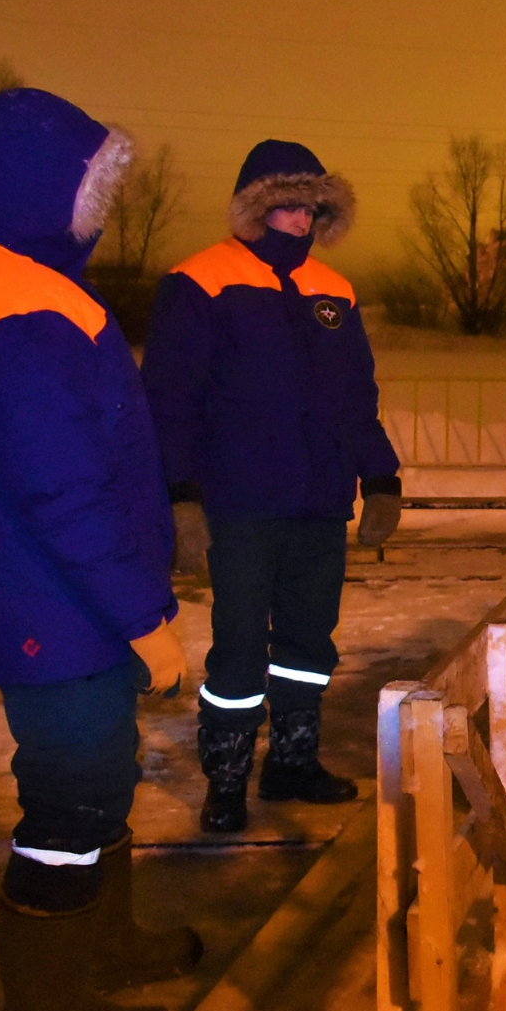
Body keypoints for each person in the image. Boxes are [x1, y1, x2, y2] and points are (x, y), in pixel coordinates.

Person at [0, 88, 199, 1011]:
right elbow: (62, 491)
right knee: (70, 805)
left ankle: (108, 950)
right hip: (56, 609)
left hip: (30, 594)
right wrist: (144, 618)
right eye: (90, 191)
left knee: (96, 778)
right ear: (37, 186)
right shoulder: (14, 305)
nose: (98, 213)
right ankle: (54, 1004)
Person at [141, 140, 400, 833]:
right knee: (237, 647)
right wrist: (181, 494)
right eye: (286, 203)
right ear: (256, 207)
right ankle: (225, 780)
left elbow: (356, 399)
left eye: (312, 205)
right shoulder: (200, 281)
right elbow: (171, 399)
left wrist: (380, 477)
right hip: (242, 502)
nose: (301, 218)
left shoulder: (333, 291)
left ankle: (291, 762)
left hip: (318, 501)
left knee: (310, 644)